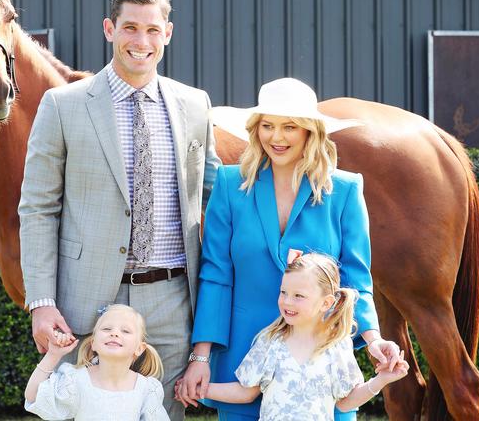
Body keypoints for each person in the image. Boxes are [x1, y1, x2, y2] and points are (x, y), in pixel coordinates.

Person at [19, 0, 220, 421]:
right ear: (110, 29)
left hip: (171, 302)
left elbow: (215, 202)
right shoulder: (62, 105)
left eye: (152, 30)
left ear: (167, 33)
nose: (141, 41)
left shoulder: (195, 105)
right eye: (130, 28)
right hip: (85, 299)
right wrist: (41, 300)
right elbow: (38, 208)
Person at [179, 77, 402, 421]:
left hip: (318, 366)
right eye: (267, 126)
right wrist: (201, 356)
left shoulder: (343, 191)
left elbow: (355, 281)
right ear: (255, 130)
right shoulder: (228, 185)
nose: (276, 137)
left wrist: (373, 341)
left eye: (289, 127)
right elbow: (215, 277)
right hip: (243, 361)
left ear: (310, 132)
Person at [176, 253, 409, 420]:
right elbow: (246, 392)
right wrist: (200, 389)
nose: (287, 301)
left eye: (298, 296)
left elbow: (345, 400)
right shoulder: (269, 341)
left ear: (326, 303)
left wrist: (381, 380)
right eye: (284, 292)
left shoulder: (337, 347)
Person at [25, 304, 170, 420]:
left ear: (139, 348)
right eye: (107, 329)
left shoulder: (147, 388)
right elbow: (33, 396)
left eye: (125, 331)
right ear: (93, 343)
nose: (115, 333)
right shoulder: (76, 380)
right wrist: (52, 355)